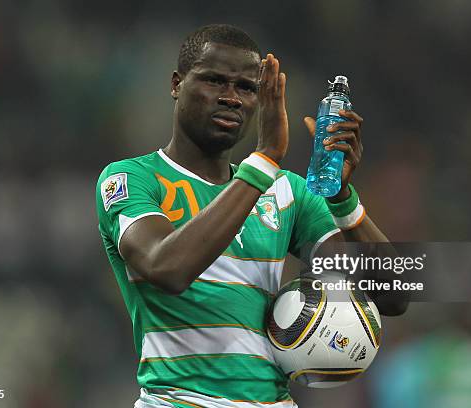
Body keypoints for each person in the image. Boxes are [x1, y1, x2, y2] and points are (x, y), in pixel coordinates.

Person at [96, 24, 405, 408]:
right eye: (214, 81)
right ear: (176, 84)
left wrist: (343, 199)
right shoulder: (132, 178)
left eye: (246, 88)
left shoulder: (287, 192)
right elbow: (166, 268)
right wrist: (263, 161)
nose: (231, 98)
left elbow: (393, 295)